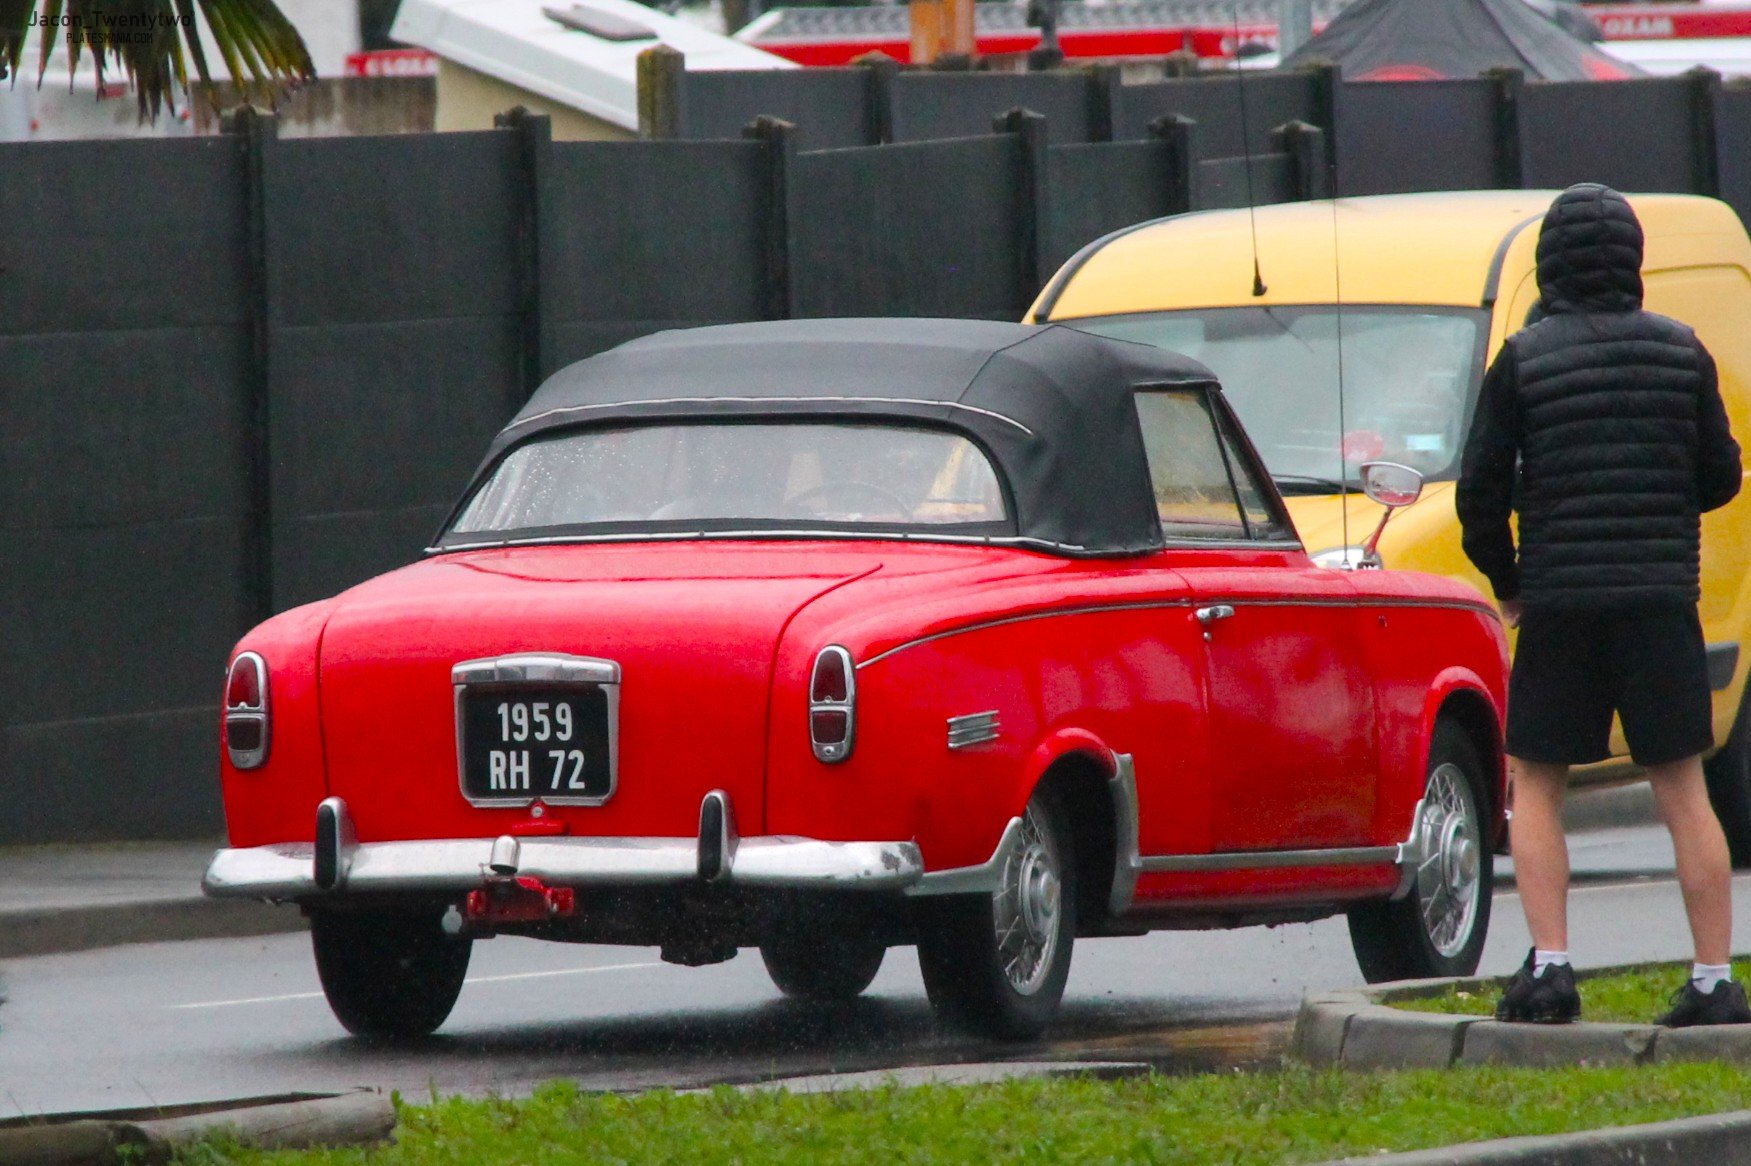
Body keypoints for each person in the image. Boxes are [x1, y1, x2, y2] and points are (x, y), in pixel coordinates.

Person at [1457, 183, 1748, 1027]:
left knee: (1536, 786)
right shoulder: (1680, 351)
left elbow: (1479, 491)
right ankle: (1710, 981)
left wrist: (1508, 580)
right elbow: (1721, 475)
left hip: (1558, 603)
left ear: (1549, 261)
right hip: (1659, 601)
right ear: (1630, 260)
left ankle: (1549, 970)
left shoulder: (1523, 357)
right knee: (1682, 789)